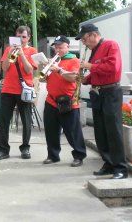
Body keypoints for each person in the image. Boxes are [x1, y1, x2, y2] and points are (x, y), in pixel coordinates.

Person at [75, 23, 127, 179]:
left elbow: (112, 67)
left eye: (84, 40)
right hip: (98, 92)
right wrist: (85, 79)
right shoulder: (94, 50)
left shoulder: (111, 45)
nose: (84, 43)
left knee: (113, 131)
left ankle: (120, 168)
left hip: (110, 91)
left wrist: (90, 65)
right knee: (101, 131)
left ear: (92, 35)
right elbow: (97, 71)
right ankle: (109, 162)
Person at [0, 25, 37, 161]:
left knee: (26, 121)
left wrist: (22, 55)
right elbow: (4, 68)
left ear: (29, 37)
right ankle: (3, 150)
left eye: (23, 37)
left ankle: (25, 148)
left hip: (24, 90)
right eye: (18, 37)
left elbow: (30, 70)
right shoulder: (8, 49)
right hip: (8, 90)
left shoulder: (32, 50)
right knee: (4, 121)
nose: (21, 39)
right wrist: (11, 53)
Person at [42, 35, 86, 166]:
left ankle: (79, 155)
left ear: (68, 46)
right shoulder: (54, 61)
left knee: (72, 131)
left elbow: (73, 78)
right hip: (51, 100)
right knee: (51, 131)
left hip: (68, 101)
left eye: (60, 47)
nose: (57, 49)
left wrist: (58, 70)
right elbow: (46, 80)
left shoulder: (74, 60)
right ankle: (53, 155)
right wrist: (45, 72)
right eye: (56, 47)